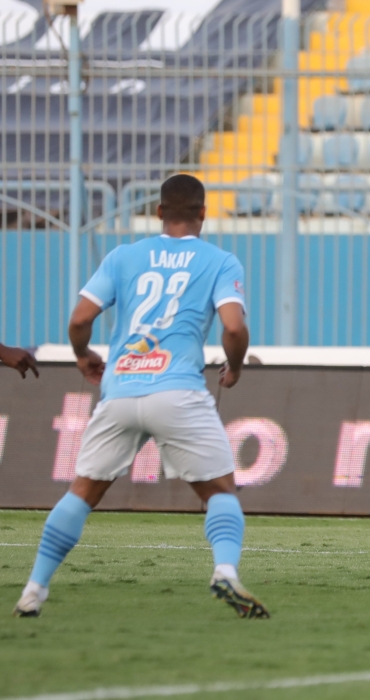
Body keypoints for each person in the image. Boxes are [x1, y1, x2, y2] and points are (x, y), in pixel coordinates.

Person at [13, 175, 267, 619]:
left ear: (158, 214)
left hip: (121, 389)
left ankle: (33, 589)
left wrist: (82, 354)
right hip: (178, 391)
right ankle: (225, 570)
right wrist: (237, 366)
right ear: (204, 214)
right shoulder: (222, 262)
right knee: (220, 491)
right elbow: (233, 327)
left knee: (81, 494)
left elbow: (79, 318)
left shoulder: (124, 256)